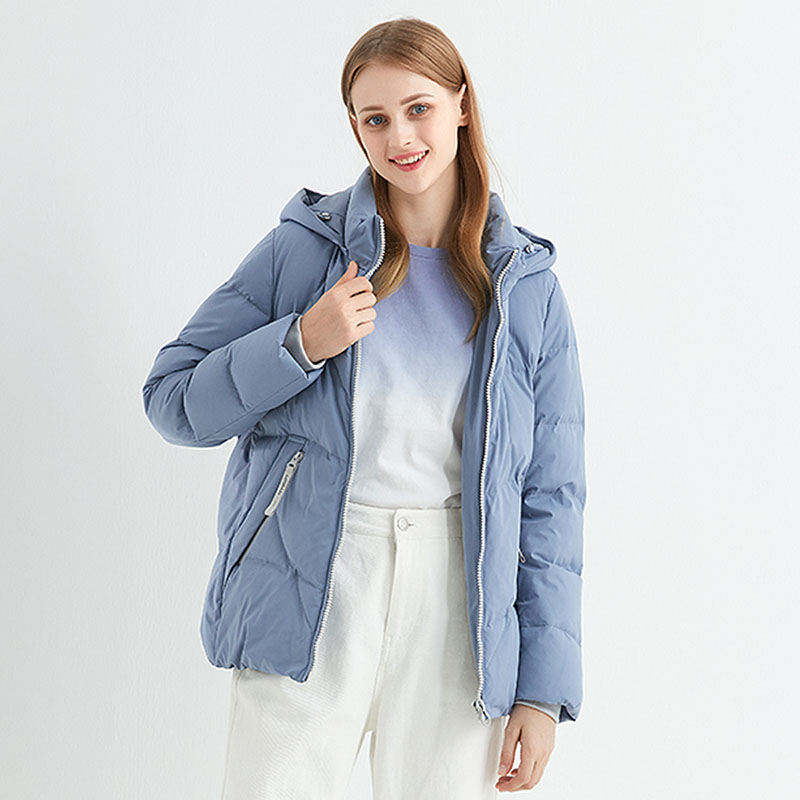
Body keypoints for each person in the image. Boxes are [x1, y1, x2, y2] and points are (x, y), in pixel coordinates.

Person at [142, 17, 586, 799]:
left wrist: (542, 692)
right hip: (311, 579)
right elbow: (173, 400)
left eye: (418, 109)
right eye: (375, 119)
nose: (400, 137)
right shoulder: (303, 252)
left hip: (459, 602)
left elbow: (551, 496)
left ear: (461, 105)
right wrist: (299, 343)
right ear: (355, 128)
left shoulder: (525, 288)